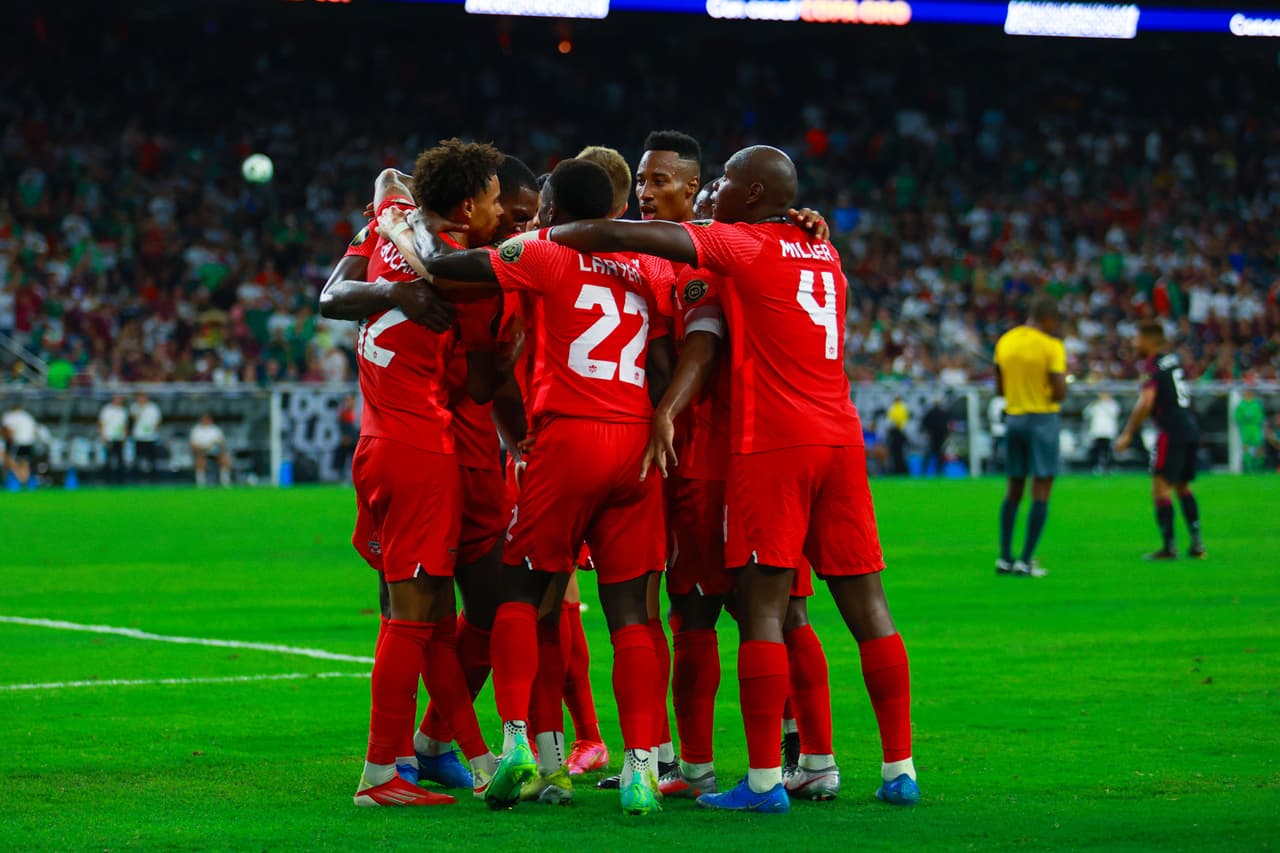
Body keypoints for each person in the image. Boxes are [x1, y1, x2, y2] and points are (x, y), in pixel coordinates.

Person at [540, 145, 919, 813]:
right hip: (836, 434)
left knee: (741, 609)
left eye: (668, 180)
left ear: (719, 192)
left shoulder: (725, 248)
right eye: (643, 179)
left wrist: (547, 232)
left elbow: (700, 341)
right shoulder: (820, 248)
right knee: (844, 605)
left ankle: (747, 773)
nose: (651, 191)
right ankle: (872, 767)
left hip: (746, 449)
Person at [396, 157, 674, 815]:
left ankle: (517, 742)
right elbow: (664, 359)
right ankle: (641, 766)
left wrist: (399, 218)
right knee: (632, 615)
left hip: (567, 439)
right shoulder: (649, 264)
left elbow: (440, 264)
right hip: (637, 443)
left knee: (521, 593)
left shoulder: (544, 252)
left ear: (554, 210)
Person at [317, 139, 504, 806]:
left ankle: (473, 759)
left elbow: (386, 182)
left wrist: (393, 223)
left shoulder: (385, 228)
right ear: (465, 207)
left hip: (377, 442)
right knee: (413, 618)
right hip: (420, 447)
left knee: (421, 617)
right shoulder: (458, 272)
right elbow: (481, 384)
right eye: (493, 199)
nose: (500, 210)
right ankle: (380, 773)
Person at [1114, 321, 1206, 559]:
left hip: (1170, 430)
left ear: (1148, 339)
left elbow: (1146, 401)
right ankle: (1197, 544)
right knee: (1183, 486)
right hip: (1189, 425)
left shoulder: (1153, 364)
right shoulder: (1173, 360)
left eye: (1137, 339)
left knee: (1161, 487)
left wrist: (1128, 433)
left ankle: (1169, 547)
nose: (1134, 344)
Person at [993, 297, 1067, 577]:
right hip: (1042, 420)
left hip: (1014, 419)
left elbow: (999, 388)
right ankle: (1025, 561)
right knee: (1041, 488)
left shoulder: (1005, 341)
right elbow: (1059, 392)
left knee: (1014, 488)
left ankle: (1004, 557)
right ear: (1049, 319)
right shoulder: (1051, 345)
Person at [189, 413, 232, 488]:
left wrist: (216, 444)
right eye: (204, 419)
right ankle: (201, 484)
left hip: (215, 452)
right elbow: (193, 445)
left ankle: (225, 483)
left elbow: (222, 443)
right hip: (202, 451)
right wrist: (204, 448)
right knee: (200, 460)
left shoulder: (216, 429)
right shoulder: (196, 430)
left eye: (208, 419)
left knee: (224, 459)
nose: (206, 420)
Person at [2, 400, 38, 489]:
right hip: (29, 443)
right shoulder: (28, 416)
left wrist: (8, 441)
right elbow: (34, 431)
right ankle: (25, 481)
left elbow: (9, 432)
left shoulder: (9, 416)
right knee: (25, 463)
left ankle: (19, 478)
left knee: (10, 461)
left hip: (17, 442)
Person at [1083, 391, 1120, 474]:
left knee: (1109, 451)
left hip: (1108, 432)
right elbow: (1086, 414)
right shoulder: (1095, 405)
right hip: (1097, 432)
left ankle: (1109, 468)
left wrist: (1106, 403)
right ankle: (1095, 467)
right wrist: (1094, 404)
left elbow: (1115, 414)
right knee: (1096, 451)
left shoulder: (1113, 404)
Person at [131, 392, 163, 482]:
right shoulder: (135, 407)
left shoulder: (153, 407)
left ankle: (153, 478)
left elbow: (158, 421)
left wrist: (154, 430)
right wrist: (141, 409)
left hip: (151, 437)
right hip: (139, 436)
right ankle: (137, 478)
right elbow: (134, 419)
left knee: (152, 458)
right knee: (138, 458)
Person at [98, 394, 129, 485]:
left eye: (119, 399)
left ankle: (120, 480)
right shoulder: (106, 410)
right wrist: (102, 436)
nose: (118, 400)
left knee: (120, 460)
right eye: (116, 398)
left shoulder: (123, 411)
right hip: (109, 437)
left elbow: (125, 425)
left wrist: (125, 438)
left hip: (119, 438)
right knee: (108, 460)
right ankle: (106, 479)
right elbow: (101, 423)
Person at [1234, 387, 1266, 473]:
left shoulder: (1256, 404)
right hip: (1245, 428)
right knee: (1246, 447)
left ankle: (1258, 467)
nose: (1247, 394)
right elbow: (1237, 417)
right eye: (1246, 393)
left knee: (1259, 447)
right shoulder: (1241, 405)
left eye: (1249, 393)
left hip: (1255, 428)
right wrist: (1245, 419)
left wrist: (1254, 419)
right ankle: (1248, 468)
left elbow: (1261, 416)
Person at [921, 398, 949, 476]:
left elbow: (924, 424)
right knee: (933, 455)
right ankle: (932, 471)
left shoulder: (932, 413)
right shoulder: (940, 413)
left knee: (935, 455)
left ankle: (936, 471)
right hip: (935, 437)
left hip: (937, 437)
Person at [887, 396, 910, 475]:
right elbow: (890, 419)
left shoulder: (902, 407)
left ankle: (901, 469)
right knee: (896, 454)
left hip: (900, 432)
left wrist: (900, 426)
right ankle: (896, 469)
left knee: (901, 454)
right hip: (895, 432)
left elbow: (905, 419)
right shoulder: (893, 408)